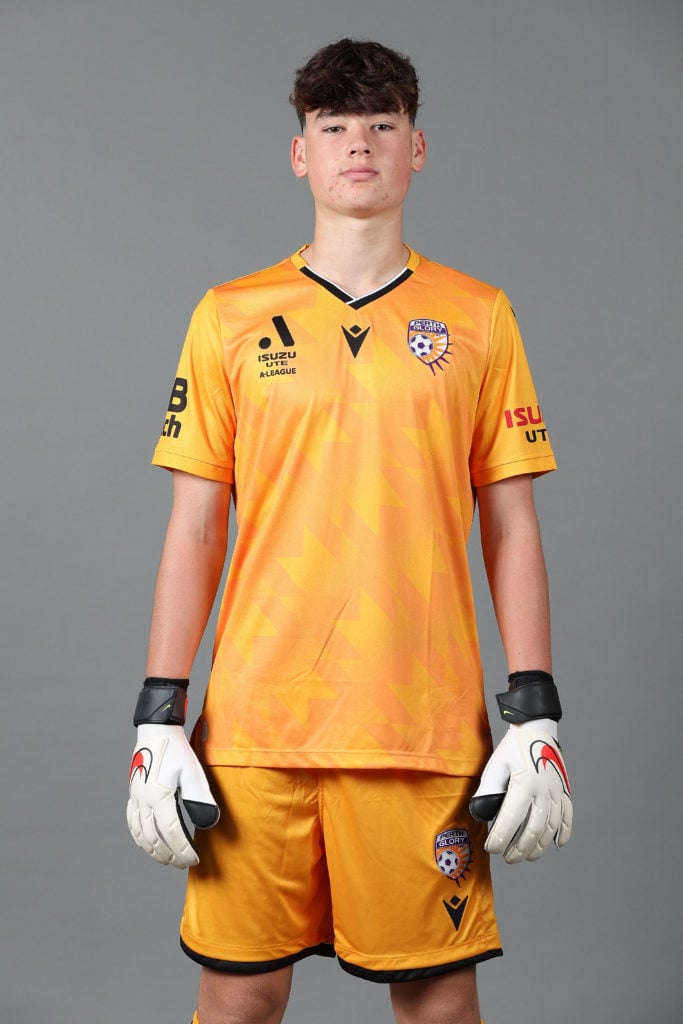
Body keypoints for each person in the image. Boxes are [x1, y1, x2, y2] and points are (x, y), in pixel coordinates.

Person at [127, 38, 572, 1024]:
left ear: (418, 149)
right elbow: (196, 528)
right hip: (254, 732)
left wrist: (533, 706)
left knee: (438, 1003)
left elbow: (509, 527)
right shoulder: (230, 316)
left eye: (380, 125)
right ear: (300, 155)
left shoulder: (477, 317)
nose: (357, 145)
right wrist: (159, 713)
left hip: (416, 725)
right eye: (332, 127)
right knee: (236, 1000)